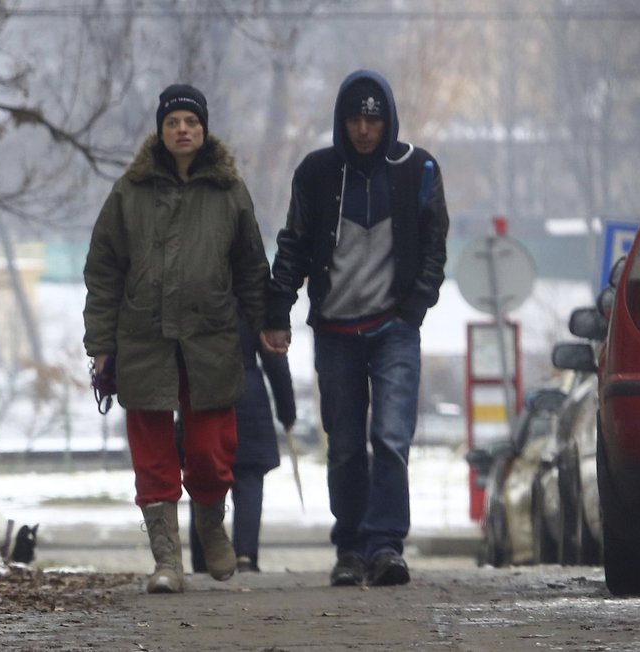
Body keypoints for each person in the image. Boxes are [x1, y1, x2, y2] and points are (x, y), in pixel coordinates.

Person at [261, 70, 449, 587]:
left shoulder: (419, 168)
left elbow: (435, 244)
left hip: (394, 329)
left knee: (391, 436)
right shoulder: (317, 172)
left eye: (373, 118)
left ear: (387, 120)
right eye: (355, 118)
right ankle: (349, 547)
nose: (364, 129)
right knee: (344, 443)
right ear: (341, 122)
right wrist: (278, 310)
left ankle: (386, 545)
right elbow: (294, 242)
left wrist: (416, 305)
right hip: (336, 331)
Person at [83, 83, 269, 594]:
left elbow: (252, 267)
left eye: (190, 121)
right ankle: (166, 559)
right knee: (152, 455)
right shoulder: (130, 192)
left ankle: (211, 524)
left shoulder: (229, 191)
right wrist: (101, 343)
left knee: (211, 450)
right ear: (160, 131)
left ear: (203, 129)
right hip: (143, 342)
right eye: (172, 122)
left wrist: (269, 323)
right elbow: (103, 271)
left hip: (210, 341)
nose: (182, 130)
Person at [187, 317, 296, 574]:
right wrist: (287, 410)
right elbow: (274, 356)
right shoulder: (253, 300)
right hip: (249, 396)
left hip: (203, 393)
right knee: (248, 482)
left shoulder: (195, 294)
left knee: (205, 480)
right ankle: (246, 556)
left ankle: (205, 561)